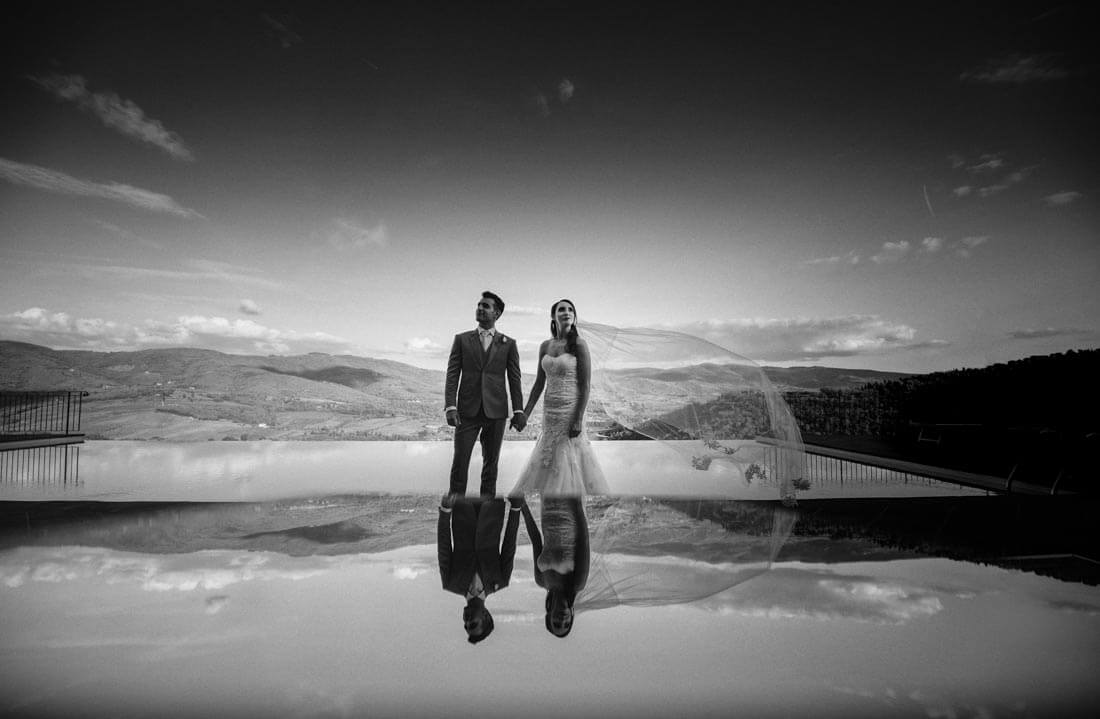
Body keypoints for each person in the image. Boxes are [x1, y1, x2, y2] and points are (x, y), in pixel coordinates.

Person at [510, 299, 609, 496]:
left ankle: (569, 507)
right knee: (548, 456)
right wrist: (525, 414)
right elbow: (539, 384)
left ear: (574, 316)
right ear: (553, 316)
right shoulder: (545, 346)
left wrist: (578, 419)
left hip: (570, 412)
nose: (567, 312)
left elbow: (586, 385)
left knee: (567, 461)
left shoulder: (579, 345)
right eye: (562, 309)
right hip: (550, 414)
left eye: (570, 309)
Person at [444, 291, 526, 497]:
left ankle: (487, 513)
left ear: (496, 313)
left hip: (496, 412)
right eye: (479, 305)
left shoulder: (509, 344)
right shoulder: (461, 340)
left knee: (491, 466)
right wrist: (450, 406)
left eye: (486, 306)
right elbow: (452, 374)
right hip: (467, 412)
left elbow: (514, 379)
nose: (480, 308)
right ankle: (456, 508)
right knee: (460, 462)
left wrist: (518, 410)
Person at [437, 493, 523, 644]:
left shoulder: (451, 583)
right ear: (486, 616)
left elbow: (444, 548)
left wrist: (445, 512)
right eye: (473, 624)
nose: (467, 621)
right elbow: (509, 545)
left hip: (461, 506)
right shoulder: (501, 580)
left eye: (466, 625)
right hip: (492, 508)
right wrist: (515, 509)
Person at [520, 497, 590, 637]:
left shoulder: (541, 580)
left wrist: (522, 505)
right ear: (571, 616)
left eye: (557, 623)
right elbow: (583, 539)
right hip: (570, 508)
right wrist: (575, 502)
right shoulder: (577, 584)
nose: (563, 620)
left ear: (549, 615)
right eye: (567, 624)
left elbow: (535, 539)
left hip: (547, 508)